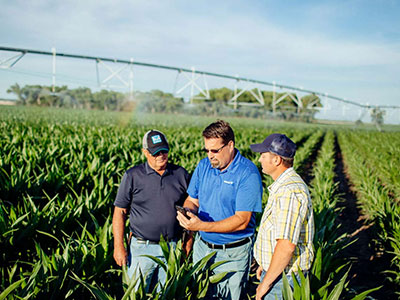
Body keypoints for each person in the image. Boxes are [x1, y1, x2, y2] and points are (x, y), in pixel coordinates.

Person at [177, 120, 263, 300]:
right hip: (202, 249)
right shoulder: (203, 166)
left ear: (230, 145)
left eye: (215, 150)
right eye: (207, 150)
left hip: (232, 253)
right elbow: (193, 199)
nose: (210, 155)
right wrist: (187, 212)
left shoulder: (248, 173)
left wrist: (201, 225)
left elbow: (242, 220)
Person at [112, 129, 189, 291]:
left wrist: (187, 243)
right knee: (136, 294)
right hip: (141, 248)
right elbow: (120, 212)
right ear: (145, 152)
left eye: (164, 151)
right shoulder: (133, 175)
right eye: (156, 153)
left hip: (171, 248)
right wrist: (118, 246)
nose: (161, 155)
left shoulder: (181, 174)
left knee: (165, 294)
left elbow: (189, 210)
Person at [250, 133, 314, 300]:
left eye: (263, 156)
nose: (260, 160)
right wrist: (266, 266)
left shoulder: (289, 191)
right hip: (277, 273)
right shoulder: (284, 186)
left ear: (276, 160)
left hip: (283, 280)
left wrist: (266, 282)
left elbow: (286, 246)